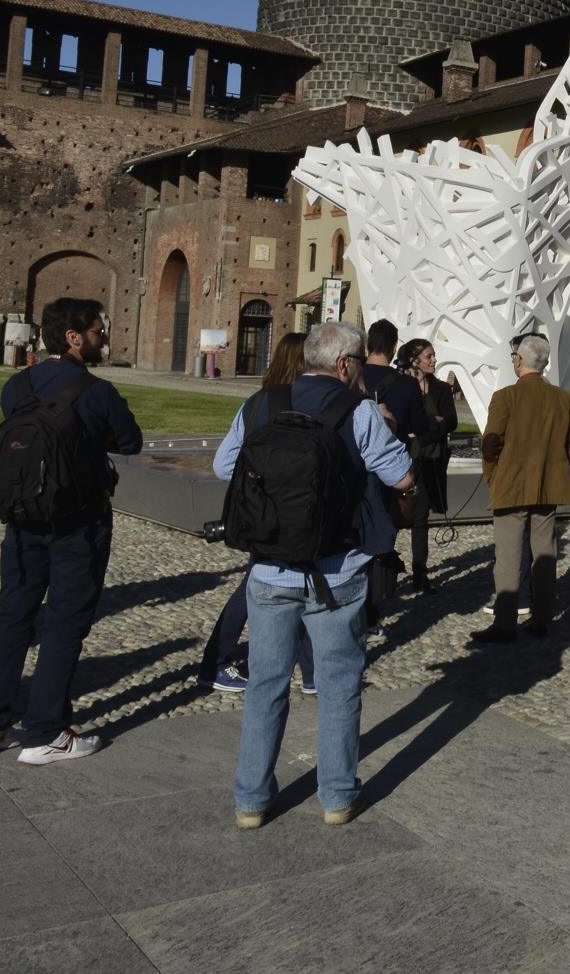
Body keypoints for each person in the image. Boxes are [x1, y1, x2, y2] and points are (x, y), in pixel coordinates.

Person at [216, 320, 416, 828]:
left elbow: (224, 467)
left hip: (270, 568)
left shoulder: (260, 406)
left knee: (265, 684)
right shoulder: (361, 413)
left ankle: (251, 801)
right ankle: (337, 795)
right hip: (337, 567)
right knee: (339, 683)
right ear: (346, 365)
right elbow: (403, 476)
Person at [0, 298, 143, 766]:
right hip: (77, 523)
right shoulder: (96, 391)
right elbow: (130, 441)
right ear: (74, 337)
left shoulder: (17, 385)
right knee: (64, 622)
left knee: (12, 618)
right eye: (100, 331)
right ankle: (45, 731)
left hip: (21, 517)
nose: (105, 338)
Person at [205, 332, 312, 693]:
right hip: (303, 510)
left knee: (270, 583)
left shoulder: (256, 403)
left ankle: (309, 669)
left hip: (261, 509)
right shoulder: (317, 404)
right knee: (298, 584)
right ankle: (217, 661)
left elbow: (223, 465)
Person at [472, 333, 570, 643]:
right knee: (544, 554)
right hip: (548, 485)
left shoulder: (506, 397)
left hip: (512, 484)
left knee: (508, 556)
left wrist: (493, 476)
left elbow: (491, 442)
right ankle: (543, 618)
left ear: (518, 361)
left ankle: (505, 623)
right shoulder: (563, 398)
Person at [357, 319, 429, 634]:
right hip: (388, 472)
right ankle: (370, 616)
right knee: (381, 541)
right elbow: (421, 428)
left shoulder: (352, 377)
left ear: (367, 345)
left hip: (353, 469)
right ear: (394, 346)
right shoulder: (405, 385)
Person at [397, 337, 457, 592]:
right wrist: (434, 423)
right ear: (414, 360)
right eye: (429, 356)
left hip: (430, 459)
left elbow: (450, 423)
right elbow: (401, 423)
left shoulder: (442, 389)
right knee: (395, 515)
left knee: (420, 518)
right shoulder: (402, 387)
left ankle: (420, 573)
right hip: (403, 460)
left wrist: (421, 430)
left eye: (433, 356)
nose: (434, 360)